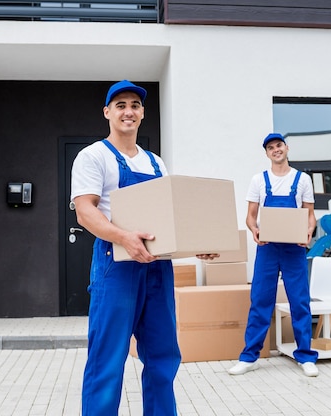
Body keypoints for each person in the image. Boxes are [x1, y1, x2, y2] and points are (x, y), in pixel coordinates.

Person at [71, 80, 216, 415]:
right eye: (120, 104)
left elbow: (169, 219)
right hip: (116, 266)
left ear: (143, 114)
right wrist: (123, 237)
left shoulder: (156, 163)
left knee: (164, 358)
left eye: (135, 105)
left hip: (157, 268)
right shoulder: (94, 156)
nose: (128, 111)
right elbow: (85, 211)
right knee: (108, 361)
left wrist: (198, 245)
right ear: (107, 112)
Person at [228, 132, 319, 378]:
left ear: (286, 148)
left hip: (294, 249)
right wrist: (255, 230)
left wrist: (309, 231)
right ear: (267, 153)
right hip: (267, 247)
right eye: (270, 147)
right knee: (260, 301)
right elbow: (250, 215)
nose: (276, 150)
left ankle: (306, 356)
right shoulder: (259, 180)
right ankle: (249, 357)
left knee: (299, 301)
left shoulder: (303, 180)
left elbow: (309, 214)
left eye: (279, 145)